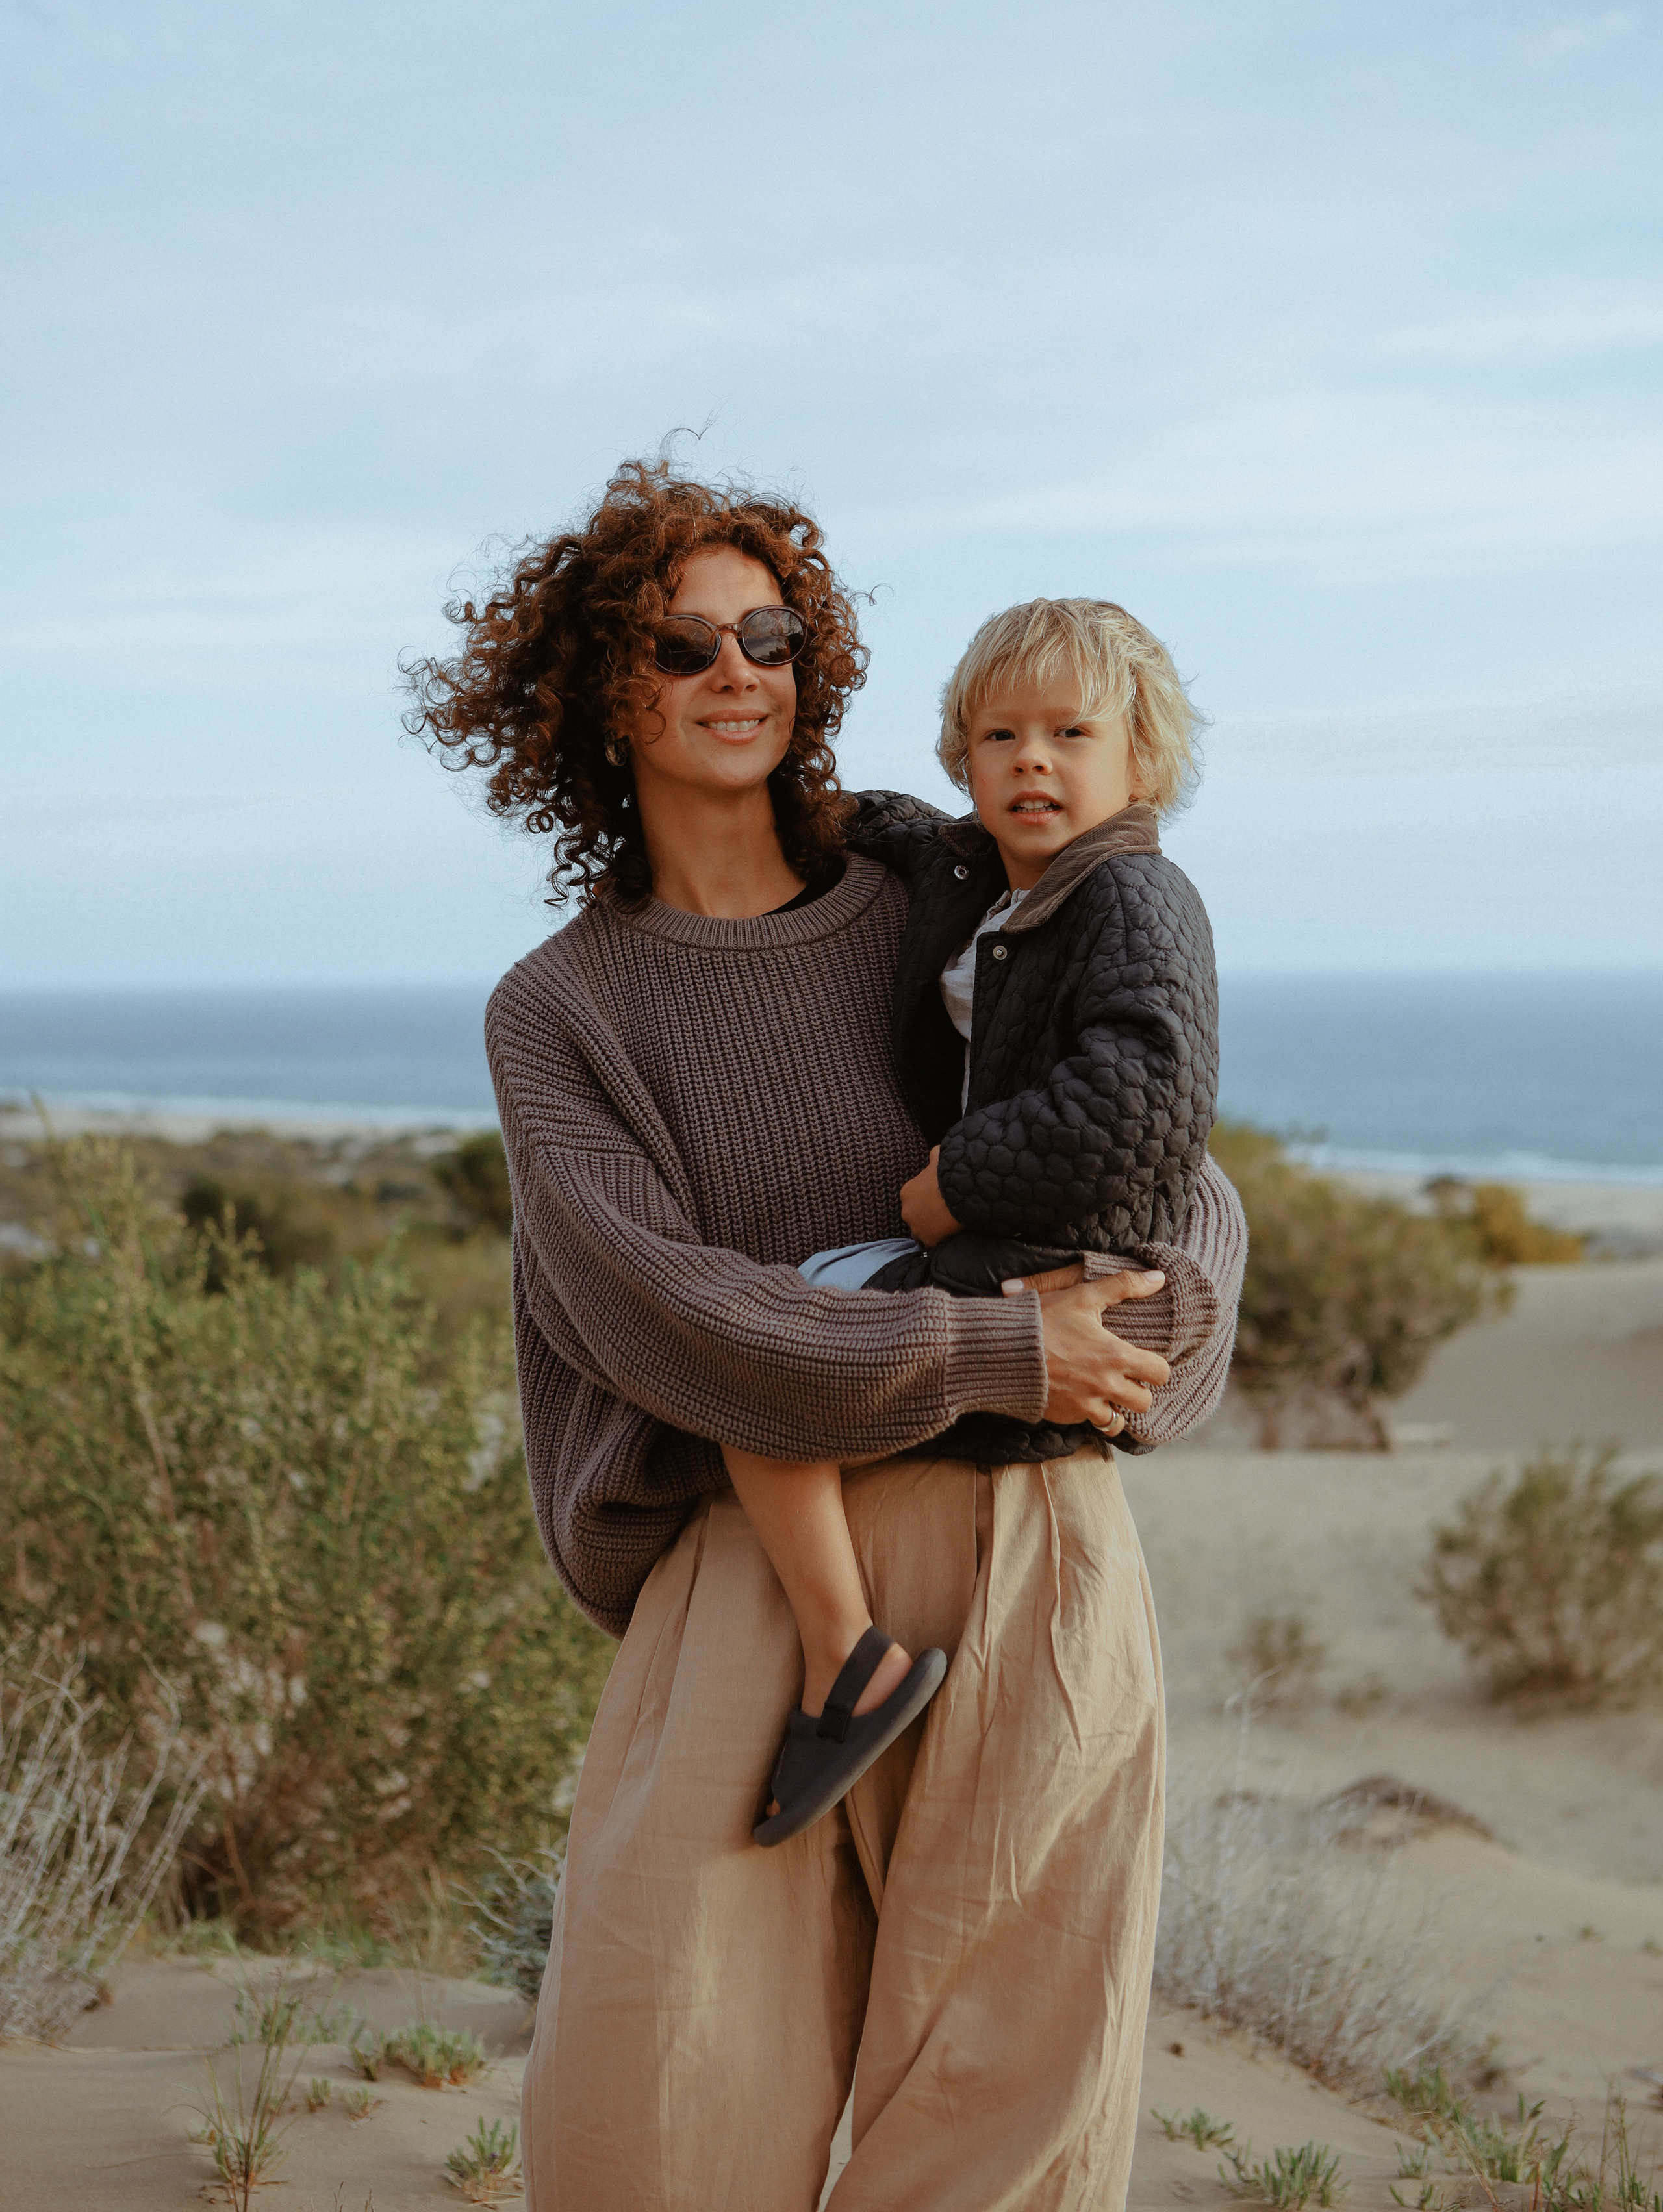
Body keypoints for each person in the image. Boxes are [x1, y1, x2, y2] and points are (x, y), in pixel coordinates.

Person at [408, 459, 1247, 2212]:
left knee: (1005, 2121)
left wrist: (1153, 1329)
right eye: (681, 642)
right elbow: (665, 1310)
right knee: (655, 2119)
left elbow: (1165, 1152)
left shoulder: (936, 886)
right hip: (744, 1573)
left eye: (769, 634)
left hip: (1031, 1545)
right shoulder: (564, 1011)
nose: (738, 672)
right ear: (593, 690)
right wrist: (1009, 1349)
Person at [729, 596, 1217, 1847]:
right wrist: (778, 788)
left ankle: (852, 1665)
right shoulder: (983, 878)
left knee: (762, 1366)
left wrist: (956, 1182)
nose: (1032, 761)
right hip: (992, 1248)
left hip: (1055, 1250)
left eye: (1070, 733)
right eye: (997, 737)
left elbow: (1142, 1102)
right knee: (788, 1314)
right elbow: (900, 831)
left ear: (1142, 757)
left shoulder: (1135, 901)